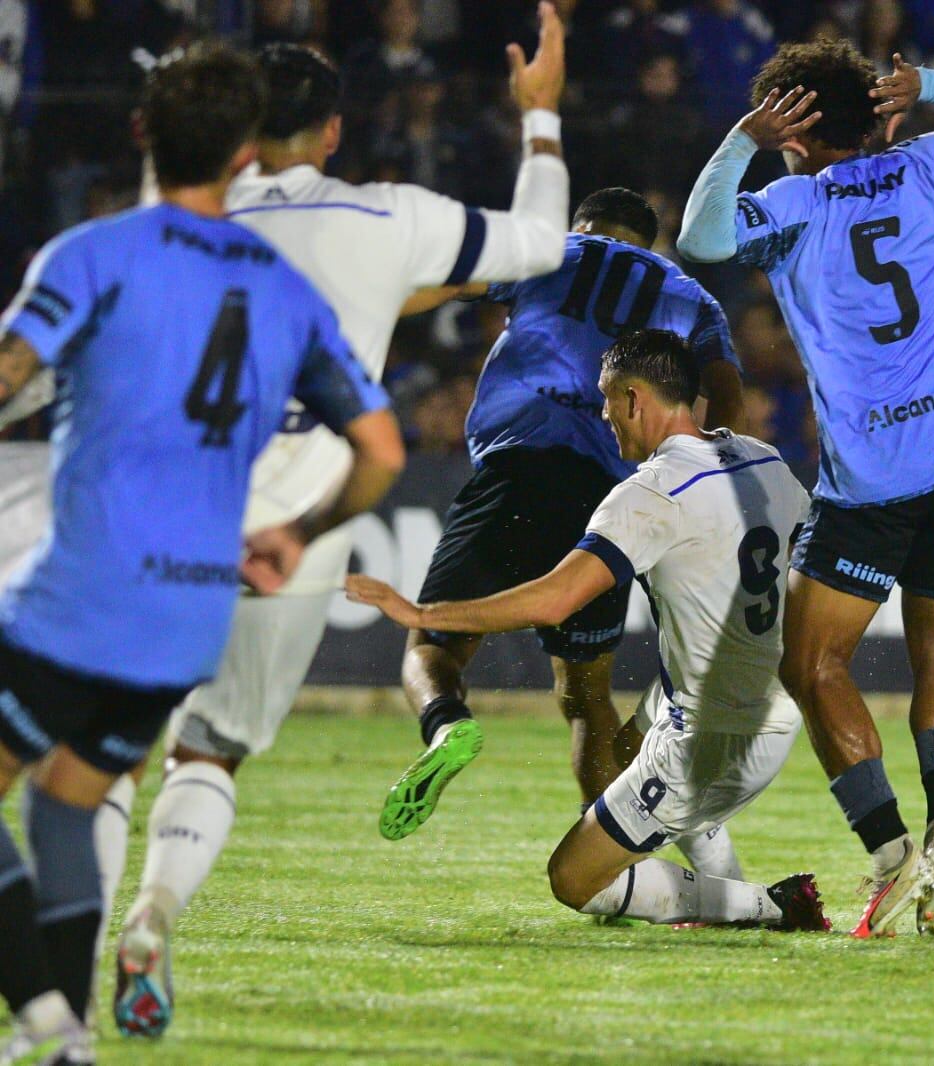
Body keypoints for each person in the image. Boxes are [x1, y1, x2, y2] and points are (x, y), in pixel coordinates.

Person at [105, 8, 573, 1040]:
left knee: (105, 754)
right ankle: (156, 913)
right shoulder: (384, 215)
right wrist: (538, 117)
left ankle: (73, 961)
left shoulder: (178, 210)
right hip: (299, 532)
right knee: (213, 750)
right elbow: (539, 242)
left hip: (155, 516)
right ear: (333, 132)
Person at [0, 44, 402, 1062]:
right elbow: (383, 450)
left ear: (140, 133)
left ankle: (48, 1019)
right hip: (187, 619)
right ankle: (70, 1035)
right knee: (64, 803)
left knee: (54, 794)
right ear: (241, 152)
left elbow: (10, 373)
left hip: (84, 595)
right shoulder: (284, 288)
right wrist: (300, 532)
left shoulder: (92, 254)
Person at [676, 38, 934, 938]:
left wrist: (738, 138)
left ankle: (893, 858)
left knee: (814, 666)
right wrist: (931, 89)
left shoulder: (792, 204)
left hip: (871, 483)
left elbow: (701, 237)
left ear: (792, 130)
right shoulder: (932, 165)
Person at [347, 329, 826, 932]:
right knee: (625, 751)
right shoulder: (764, 458)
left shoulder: (648, 495)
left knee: (576, 879)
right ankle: (720, 881)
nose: (602, 415)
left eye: (605, 399)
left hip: (716, 734)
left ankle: (770, 905)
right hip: (760, 699)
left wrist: (425, 617)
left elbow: (554, 600)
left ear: (634, 398)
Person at [380, 186, 744, 870]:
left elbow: (441, 282)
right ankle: (614, 863)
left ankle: (446, 728)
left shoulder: (549, 251)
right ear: (651, 243)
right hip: (612, 499)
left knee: (434, 644)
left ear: (582, 225)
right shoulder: (689, 294)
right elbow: (726, 396)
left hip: (516, 471)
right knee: (585, 697)